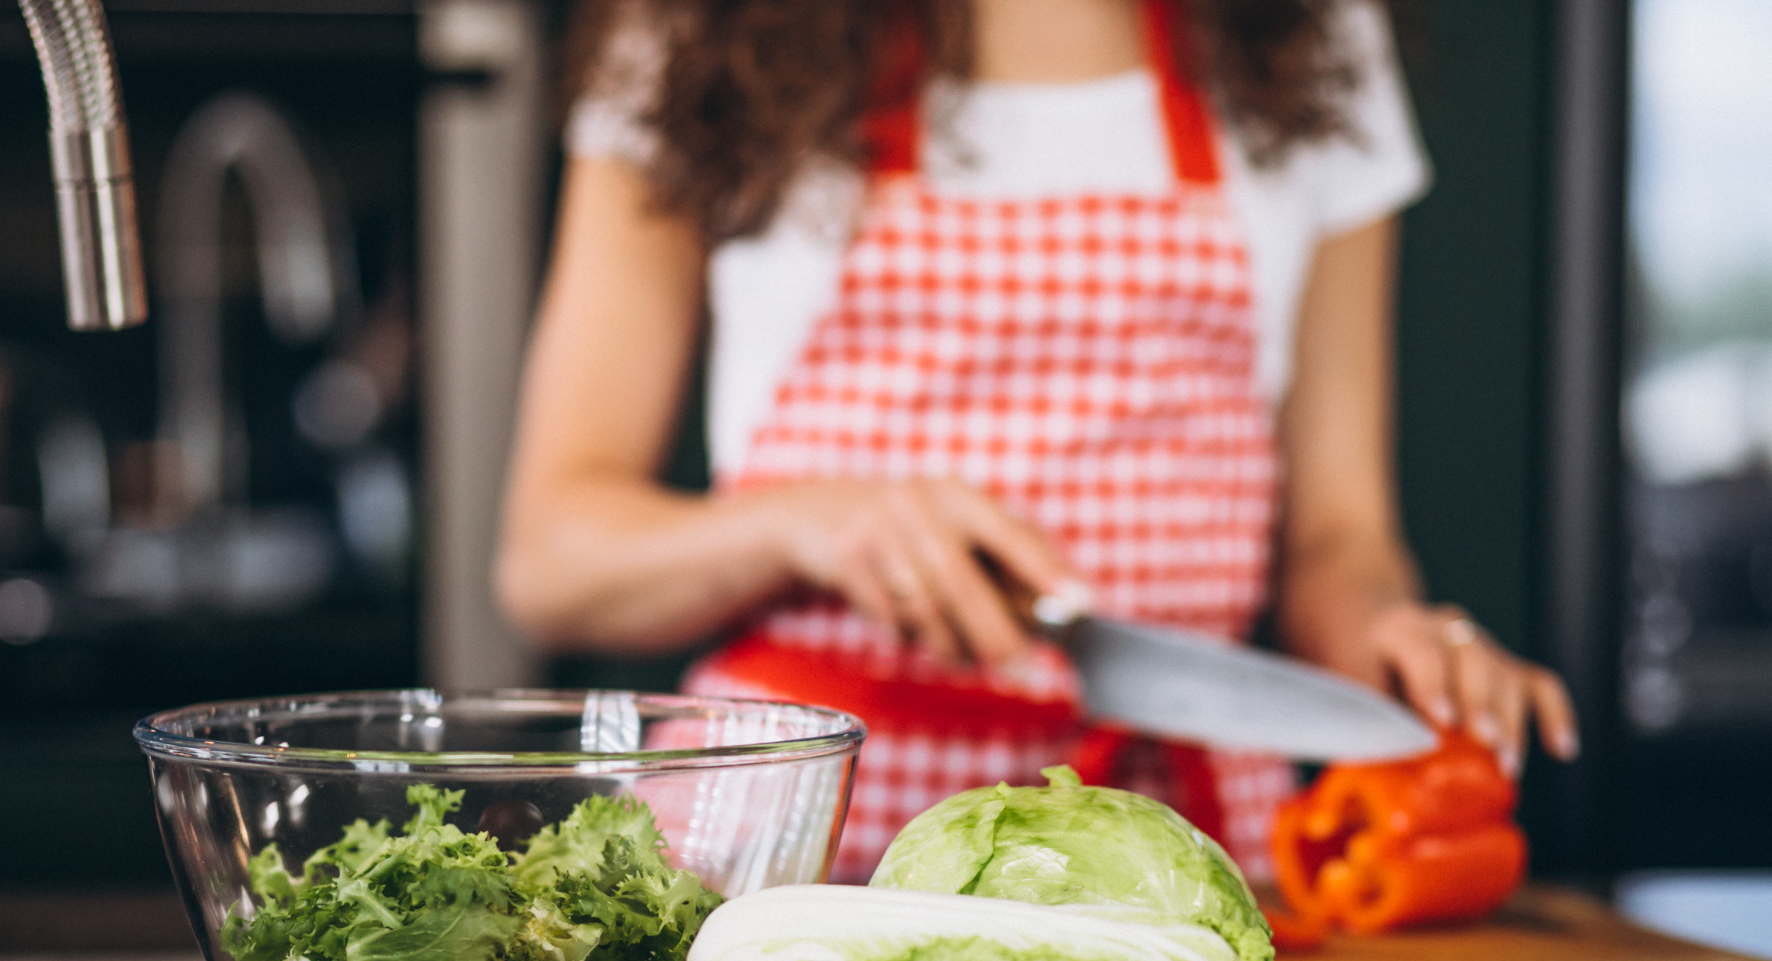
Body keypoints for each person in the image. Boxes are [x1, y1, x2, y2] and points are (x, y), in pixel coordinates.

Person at [496, 0, 1579, 883]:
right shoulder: (697, 30)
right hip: (800, 854)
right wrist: (804, 523)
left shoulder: (1309, 33)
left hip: (1177, 859)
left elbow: (1339, 541)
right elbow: (552, 561)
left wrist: (1391, 636)